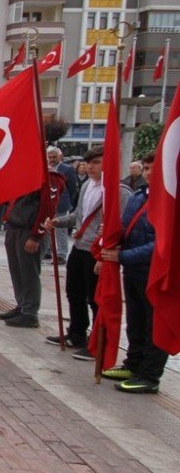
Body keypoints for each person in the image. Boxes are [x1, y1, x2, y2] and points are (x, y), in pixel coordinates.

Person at [43, 147, 132, 359]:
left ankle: (99, 341)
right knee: (74, 292)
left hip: (98, 250)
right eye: (89, 163)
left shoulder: (119, 192)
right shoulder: (86, 186)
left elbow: (124, 225)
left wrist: (108, 250)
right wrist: (59, 221)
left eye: (96, 163)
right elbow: (78, 216)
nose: (90, 167)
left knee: (96, 298)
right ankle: (76, 333)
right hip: (80, 246)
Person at [101, 154, 167, 394]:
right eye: (146, 168)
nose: (149, 173)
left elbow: (163, 244)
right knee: (136, 322)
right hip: (133, 272)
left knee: (154, 326)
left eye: (154, 168)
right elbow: (125, 229)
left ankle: (150, 376)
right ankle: (133, 364)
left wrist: (122, 257)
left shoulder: (170, 202)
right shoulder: (139, 196)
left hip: (156, 274)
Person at [1, 170, 64, 328]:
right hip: (15, 226)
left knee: (29, 272)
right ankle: (22, 305)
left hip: (30, 230)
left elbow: (47, 208)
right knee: (17, 270)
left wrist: (37, 236)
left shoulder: (50, 177)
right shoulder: (25, 171)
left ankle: (30, 313)